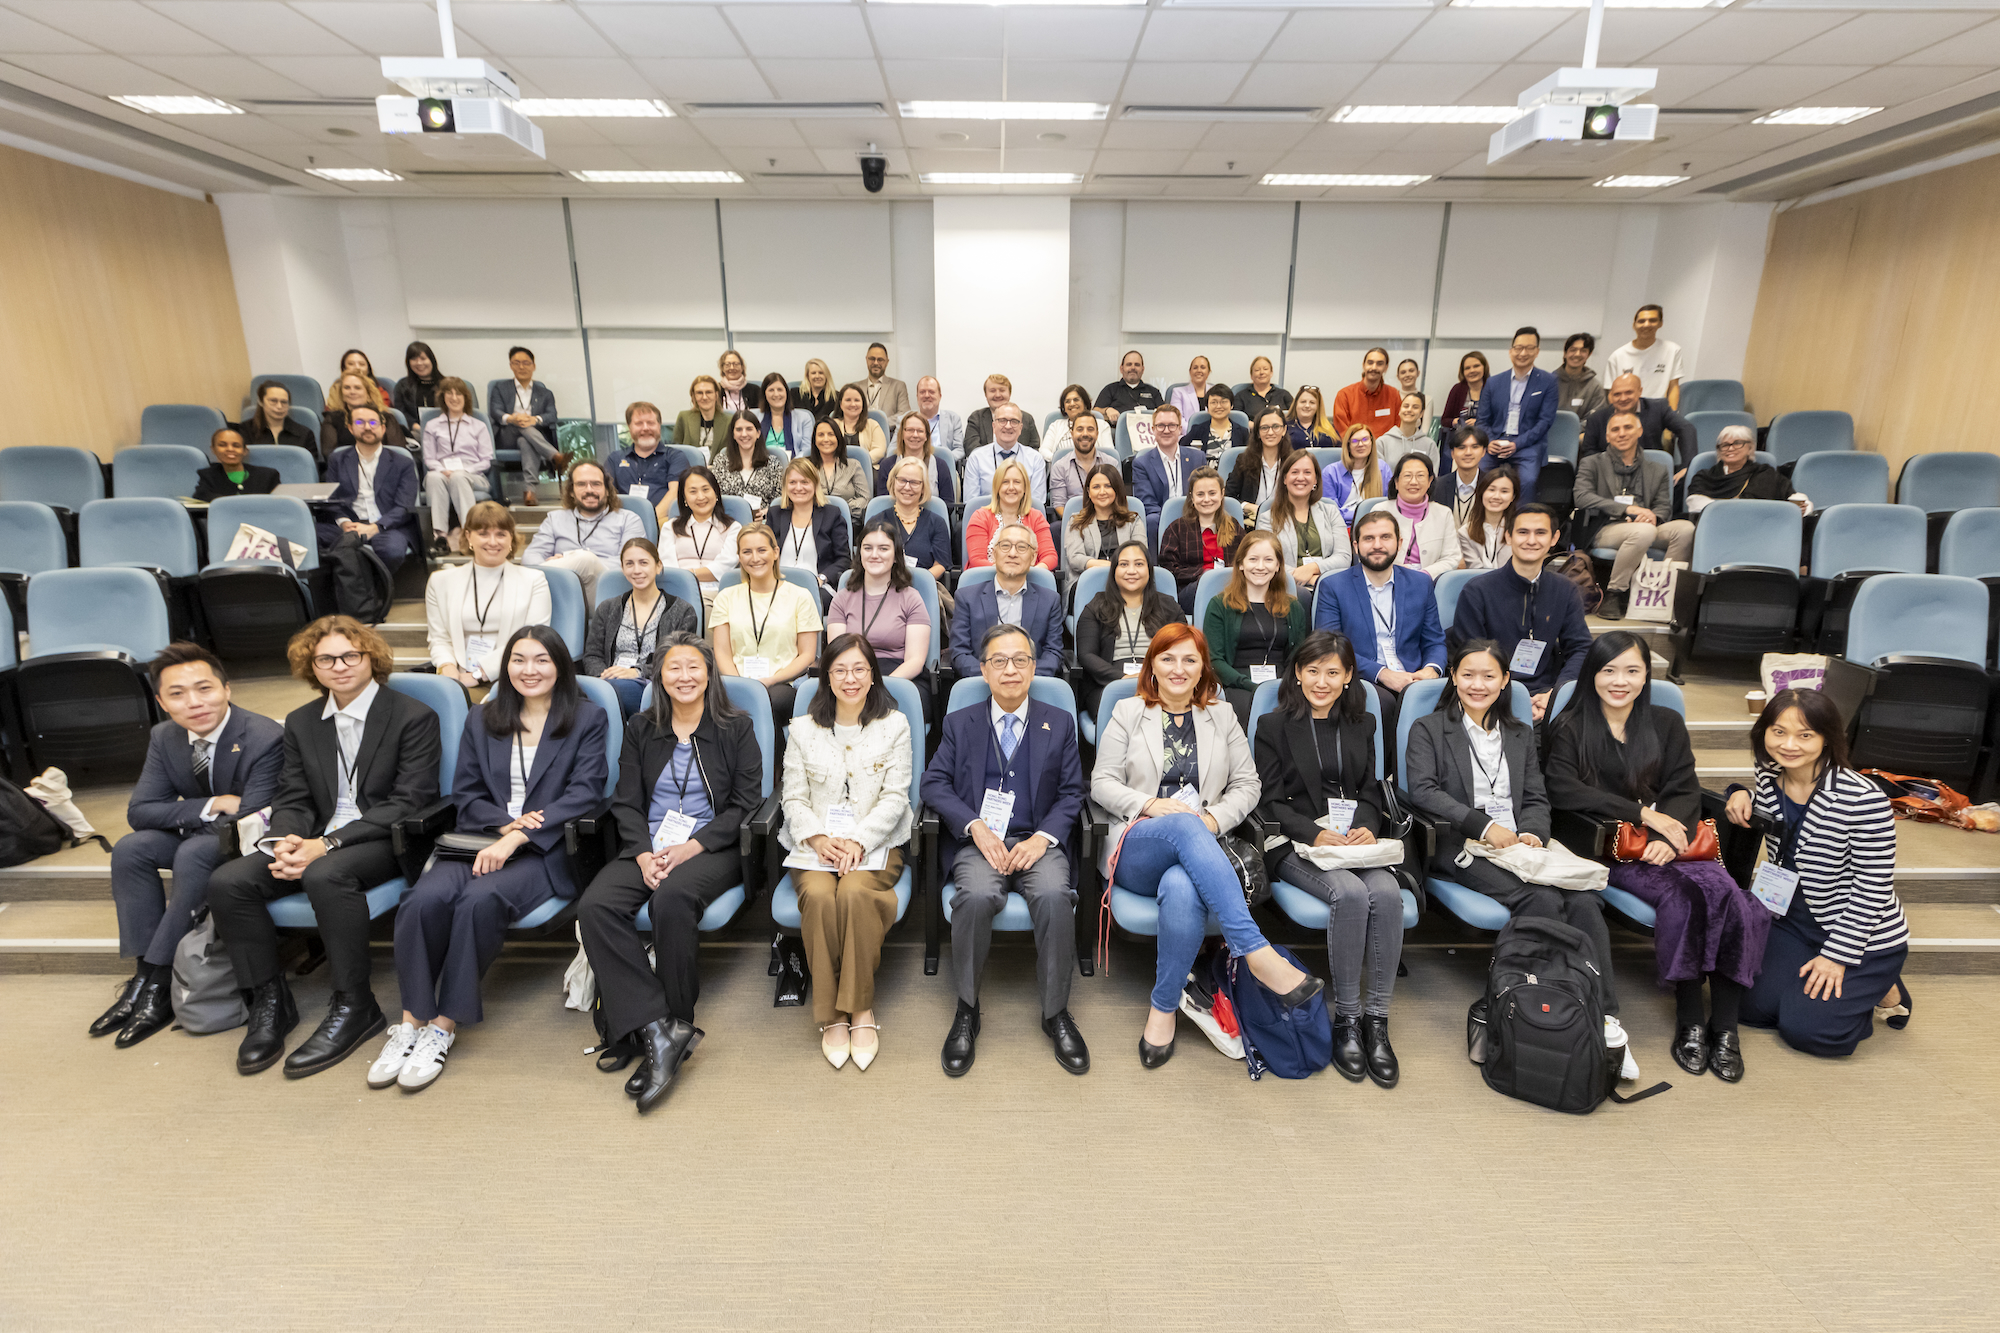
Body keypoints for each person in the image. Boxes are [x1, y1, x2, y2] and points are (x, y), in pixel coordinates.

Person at [374, 626, 609, 1092]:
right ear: (506, 667)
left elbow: (585, 793)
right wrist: (503, 828)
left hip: (543, 851)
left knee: (478, 903)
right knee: (422, 901)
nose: (529, 670)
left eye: (541, 659)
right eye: (519, 660)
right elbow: (466, 792)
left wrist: (520, 836)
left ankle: (442, 1026)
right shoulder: (482, 718)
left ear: (560, 665)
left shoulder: (587, 718)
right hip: (478, 838)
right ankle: (409, 1022)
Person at [207, 616, 443, 1077]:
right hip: (315, 837)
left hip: (381, 838)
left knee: (325, 872)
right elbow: (292, 797)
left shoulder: (413, 716)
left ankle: (355, 1005)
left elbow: (408, 802)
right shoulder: (300, 722)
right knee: (229, 881)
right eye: (326, 659)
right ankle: (270, 1001)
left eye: (350, 655)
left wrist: (325, 844)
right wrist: (286, 842)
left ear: (371, 658)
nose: (339, 666)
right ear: (311, 667)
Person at [1091, 624, 1323, 1067]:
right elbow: (1101, 782)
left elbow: (1248, 784)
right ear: (1152, 665)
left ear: (1203, 669)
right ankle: (1255, 951)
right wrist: (1151, 804)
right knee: (1182, 825)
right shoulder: (1127, 711)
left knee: (1181, 883)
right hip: (1138, 844)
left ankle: (1162, 1009)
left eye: (1189, 660)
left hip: (1201, 849)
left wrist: (1213, 819)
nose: (1178, 669)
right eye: (1168, 659)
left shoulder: (1221, 714)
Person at [1547, 632, 1770, 1082]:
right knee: (1684, 899)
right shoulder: (1570, 725)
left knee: (1736, 899)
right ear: (1592, 674)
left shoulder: (1665, 722)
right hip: (1612, 850)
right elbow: (1564, 789)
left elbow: (1684, 788)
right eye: (1609, 670)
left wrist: (1672, 837)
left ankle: (1724, 1027)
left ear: (1647, 674)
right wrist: (1643, 814)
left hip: (1673, 844)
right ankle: (1689, 1016)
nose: (1620, 681)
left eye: (1632, 670)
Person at [1405, 638, 1627, 1047]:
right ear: (1452, 677)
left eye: (1489, 676)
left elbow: (1537, 797)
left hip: (1523, 845)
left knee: (1582, 901)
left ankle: (1604, 1016)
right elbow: (1423, 791)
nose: (1477, 684)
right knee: (1540, 899)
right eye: (1467, 675)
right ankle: (1541, 1011)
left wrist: (1533, 833)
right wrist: (1487, 828)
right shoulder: (1429, 729)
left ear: (1505, 680)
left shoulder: (1521, 734)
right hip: (1465, 845)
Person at [577, 632, 762, 1112]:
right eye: (674, 668)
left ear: (708, 673)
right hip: (648, 846)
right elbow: (627, 801)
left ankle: (675, 1019)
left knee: (672, 900)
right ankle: (660, 1028)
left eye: (694, 667)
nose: (684, 677)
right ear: (659, 676)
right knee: (596, 906)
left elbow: (746, 802)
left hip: (709, 847)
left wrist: (691, 847)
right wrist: (640, 854)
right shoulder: (642, 726)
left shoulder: (736, 727)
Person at [93, 644, 284, 1048]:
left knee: (194, 852)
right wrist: (213, 804)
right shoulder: (165, 736)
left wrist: (194, 816)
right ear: (161, 702)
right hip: (201, 831)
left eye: (204, 688)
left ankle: (155, 983)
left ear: (227, 689)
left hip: (248, 843)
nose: (194, 703)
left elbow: (250, 818)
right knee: (132, 848)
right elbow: (141, 811)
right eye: (177, 694)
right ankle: (144, 974)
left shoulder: (264, 736)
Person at [923, 622, 1089, 1076]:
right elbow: (933, 783)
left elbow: (1073, 793)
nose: (1010, 669)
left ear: (1034, 667)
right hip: (982, 844)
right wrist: (974, 826)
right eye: (999, 661)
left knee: (1056, 897)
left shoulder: (1059, 723)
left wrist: (1042, 839)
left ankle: (1055, 1012)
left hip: (1038, 841)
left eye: (1020, 660)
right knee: (974, 897)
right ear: (983, 669)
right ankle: (966, 1008)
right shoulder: (961, 723)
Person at [1252, 630, 1402, 1085]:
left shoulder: (1363, 724)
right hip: (1298, 842)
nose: (1322, 681)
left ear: (1349, 675)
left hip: (1353, 841)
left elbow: (1373, 790)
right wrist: (1315, 833)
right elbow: (1269, 801)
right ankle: (1347, 1019)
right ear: (1297, 673)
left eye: (1332, 672)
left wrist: (1368, 825)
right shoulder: (1274, 726)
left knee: (1389, 893)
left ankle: (1376, 1021)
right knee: (1351, 895)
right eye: (1313, 670)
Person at [1730, 688, 1912, 1059]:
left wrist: (1837, 956)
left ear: (1828, 738)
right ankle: (1831, 990)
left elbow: (1873, 887)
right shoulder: (1768, 777)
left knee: (1809, 1031)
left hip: (1856, 930)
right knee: (1747, 1008)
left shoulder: (1864, 798)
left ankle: (1882, 984)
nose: (1789, 744)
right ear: (1763, 732)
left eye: (1805, 735)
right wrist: (1738, 792)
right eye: (1778, 731)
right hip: (1793, 919)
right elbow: (1767, 810)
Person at [781, 634, 914, 1070]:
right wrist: (819, 839)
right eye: (839, 670)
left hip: (876, 843)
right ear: (825, 676)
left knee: (855, 894)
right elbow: (793, 799)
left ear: (873, 674)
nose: (850, 678)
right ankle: (832, 1014)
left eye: (859, 669)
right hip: (816, 845)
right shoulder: (802, 728)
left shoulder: (894, 725)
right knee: (820, 897)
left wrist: (858, 840)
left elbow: (896, 796)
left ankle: (859, 1008)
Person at [1312, 509, 1446, 739]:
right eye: (1368, 538)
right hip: (1362, 678)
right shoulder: (1334, 586)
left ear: (1399, 542)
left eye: (1385, 537)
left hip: (1414, 676)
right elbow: (1329, 648)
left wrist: (1431, 670)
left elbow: (1434, 640)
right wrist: (1382, 674)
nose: (1377, 545)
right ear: (1355, 546)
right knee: (1384, 703)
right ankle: (1386, 774)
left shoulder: (1420, 583)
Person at [1450, 504, 1591, 722]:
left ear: (1554, 538)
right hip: (1490, 694)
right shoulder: (1477, 590)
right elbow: (1470, 657)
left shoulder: (1565, 589)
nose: (1531, 540)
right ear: (1508, 536)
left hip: (1547, 693)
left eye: (1540, 533)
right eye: (1523, 532)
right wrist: (1515, 699)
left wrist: (1557, 694)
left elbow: (1580, 647)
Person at [1576, 408, 1696, 621]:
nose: (1621, 433)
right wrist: (1626, 509)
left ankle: (1660, 593)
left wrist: (1653, 517)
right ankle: (1614, 593)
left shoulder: (1657, 469)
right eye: (1615, 429)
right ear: (1607, 436)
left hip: (1646, 527)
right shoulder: (1592, 463)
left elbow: (1663, 507)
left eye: (1628, 427)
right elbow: (1582, 497)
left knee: (1686, 529)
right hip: (1606, 528)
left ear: (1639, 431)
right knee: (1643, 531)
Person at [424, 502, 552, 693]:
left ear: (511, 539)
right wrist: (448, 670)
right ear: (468, 536)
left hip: (514, 677)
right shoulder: (440, 581)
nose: (493, 542)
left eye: (501, 534)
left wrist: (480, 674)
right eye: (483, 534)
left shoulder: (534, 580)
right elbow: (439, 638)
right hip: (457, 675)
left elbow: (531, 639)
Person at [710, 523, 822, 726]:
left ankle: (770, 759)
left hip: (782, 683)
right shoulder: (726, 597)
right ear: (739, 556)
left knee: (768, 703)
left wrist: (769, 680)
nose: (755, 558)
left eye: (762, 550)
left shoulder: (800, 596)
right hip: (735, 680)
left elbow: (807, 655)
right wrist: (740, 685)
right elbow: (722, 653)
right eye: (747, 552)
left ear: (776, 552)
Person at [581, 538, 700, 716]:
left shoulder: (682, 611)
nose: (637, 570)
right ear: (622, 568)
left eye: (643, 563)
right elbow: (592, 654)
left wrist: (636, 672)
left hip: (655, 683)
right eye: (629, 564)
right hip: (610, 682)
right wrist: (604, 677)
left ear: (658, 566)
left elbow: (679, 659)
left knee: (605, 697)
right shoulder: (607, 608)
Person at [827, 522, 934, 719]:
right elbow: (837, 656)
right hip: (851, 675)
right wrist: (858, 682)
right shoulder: (842, 598)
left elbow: (915, 661)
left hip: (900, 676)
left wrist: (878, 687)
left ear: (895, 556)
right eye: (867, 548)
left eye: (883, 548)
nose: (874, 554)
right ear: (860, 554)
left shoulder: (911, 597)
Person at [1205, 530, 1309, 727]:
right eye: (1253, 559)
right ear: (1241, 564)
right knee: (1248, 713)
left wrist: (1284, 684)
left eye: (1268, 560)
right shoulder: (1219, 605)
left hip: (1282, 683)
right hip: (1237, 685)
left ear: (1278, 565)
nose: (1260, 567)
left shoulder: (1293, 607)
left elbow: (1298, 656)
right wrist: (1250, 685)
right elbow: (1214, 659)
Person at [1076, 540, 1183, 716]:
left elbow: (1182, 650)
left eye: (1139, 564)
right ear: (1114, 571)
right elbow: (1087, 655)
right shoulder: (1096, 606)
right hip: (1110, 683)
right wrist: (1123, 678)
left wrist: (1157, 676)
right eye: (1124, 564)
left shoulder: (1169, 606)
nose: (1131, 571)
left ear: (1149, 570)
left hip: (1160, 679)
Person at [947, 521, 1063, 680]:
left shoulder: (1050, 600)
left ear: (1033, 557)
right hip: (982, 684)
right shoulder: (967, 597)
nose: (1013, 553)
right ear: (994, 554)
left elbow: (1053, 653)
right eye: (1005, 546)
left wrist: (1021, 679)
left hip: (1031, 685)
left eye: (1022, 547)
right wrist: (994, 678)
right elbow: (959, 652)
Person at [522, 460, 646, 605]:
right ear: (571, 491)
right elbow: (530, 557)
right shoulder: (554, 519)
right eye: (581, 484)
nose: (589, 490)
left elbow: (632, 561)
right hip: (562, 592)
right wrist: (564, 567)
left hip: (610, 593)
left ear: (607, 489)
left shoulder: (628, 519)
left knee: (587, 560)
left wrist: (572, 560)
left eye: (596, 484)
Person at [319, 403, 419, 576]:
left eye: (373, 423)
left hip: (386, 525)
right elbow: (333, 499)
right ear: (350, 428)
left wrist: (376, 527)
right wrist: (343, 522)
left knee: (392, 551)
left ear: (383, 428)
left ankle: (365, 591)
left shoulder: (403, 462)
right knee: (309, 536)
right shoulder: (338, 459)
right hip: (349, 524)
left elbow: (403, 507)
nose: (367, 427)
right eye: (359, 423)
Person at [1476, 327, 1557, 501]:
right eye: (1518, 348)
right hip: (1495, 443)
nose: (1523, 353)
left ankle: (1518, 524)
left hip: (1527, 445)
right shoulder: (1493, 382)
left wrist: (1517, 444)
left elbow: (1545, 422)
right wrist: (1489, 442)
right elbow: (1482, 420)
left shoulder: (1548, 381)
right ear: (1511, 351)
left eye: (1529, 348)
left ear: (1537, 352)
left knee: (1527, 481)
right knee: (1478, 474)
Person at [1260, 447, 1350, 597]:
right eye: (1294, 472)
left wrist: (1314, 570)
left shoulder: (1331, 512)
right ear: (1284, 479)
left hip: (1328, 585)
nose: (1300, 477)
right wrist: (1298, 576)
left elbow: (1344, 557)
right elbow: (1267, 560)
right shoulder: (1267, 519)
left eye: (1307, 472)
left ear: (1315, 480)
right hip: (1287, 588)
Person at [418, 376, 493, 553]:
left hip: (473, 474)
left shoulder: (478, 425)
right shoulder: (432, 425)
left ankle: (471, 533)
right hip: (442, 473)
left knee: (459, 477)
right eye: (449, 393)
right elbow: (429, 458)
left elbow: (486, 460)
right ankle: (440, 537)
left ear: (466, 397)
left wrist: (462, 470)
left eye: (458, 393)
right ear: (443, 398)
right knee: (433, 477)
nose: (454, 397)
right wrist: (442, 470)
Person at [1581, 372, 1698, 474]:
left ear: (1640, 392)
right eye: (1617, 394)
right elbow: (1590, 452)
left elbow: (1686, 429)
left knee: (1683, 482)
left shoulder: (1658, 409)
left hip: (1651, 472)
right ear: (1611, 396)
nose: (1622, 398)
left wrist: (1687, 466)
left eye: (1628, 393)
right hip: (1610, 474)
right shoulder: (1597, 418)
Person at [1159, 466, 1240, 612]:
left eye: (1212, 493)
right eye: (1200, 494)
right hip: (1192, 592)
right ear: (1192, 497)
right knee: (1207, 584)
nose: (1207, 499)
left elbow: (1245, 560)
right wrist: (1203, 574)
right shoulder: (1176, 528)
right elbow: (1168, 569)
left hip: (1231, 588)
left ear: (1222, 494)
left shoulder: (1234, 526)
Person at [767, 458, 853, 592]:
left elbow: (843, 559)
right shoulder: (775, 514)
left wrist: (821, 578)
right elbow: (765, 554)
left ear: (815, 484)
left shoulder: (831, 515)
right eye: (792, 482)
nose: (798, 488)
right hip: (778, 586)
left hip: (816, 587)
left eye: (804, 482)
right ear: (785, 486)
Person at [489, 346, 561, 505]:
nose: (521, 367)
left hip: (532, 436)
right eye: (516, 363)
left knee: (525, 441)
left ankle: (530, 492)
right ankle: (554, 456)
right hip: (507, 435)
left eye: (526, 363)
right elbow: (495, 411)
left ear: (533, 366)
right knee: (522, 425)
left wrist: (534, 419)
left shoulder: (545, 393)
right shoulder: (500, 388)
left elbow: (552, 415)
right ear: (511, 366)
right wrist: (512, 418)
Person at [665, 466, 740, 615]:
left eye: (706, 489)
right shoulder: (670, 527)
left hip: (717, 592)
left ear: (716, 493)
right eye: (693, 491)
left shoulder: (733, 528)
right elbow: (668, 567)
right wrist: (686, 581)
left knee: (702, 608)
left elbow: (724, 567)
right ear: (684, 498)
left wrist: (688, 573)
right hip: (678, 590)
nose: (700, 497)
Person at [1131, 402, 1207, 547]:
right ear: (1153, 429)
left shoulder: (1198, 457)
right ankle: (1154, 567)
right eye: (1161, 425)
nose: (1166, 430)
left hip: (1194, 514)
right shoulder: (1142, 463)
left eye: (1172, 425)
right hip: (1161, 518)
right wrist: (1173, 519)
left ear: (1180, 429)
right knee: (1152, 520)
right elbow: (1147, 502)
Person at [882, 458, 953, 612]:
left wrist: (917, 582)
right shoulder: (878, 522)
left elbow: (941, 564)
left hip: (923, 592)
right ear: (893, 482)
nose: (907, 487)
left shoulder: (937, 522)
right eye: (902, 480)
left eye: (914, 482)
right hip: (883, 589)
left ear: (923, 487)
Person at [1687, 425, 1807, 515]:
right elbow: (1695, 505)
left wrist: (1801, 508)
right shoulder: (1704, 477)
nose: (1730, 448)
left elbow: (1794, 497)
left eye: (1737, 443)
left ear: (1750, 448)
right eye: (1724, 445)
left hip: (1763, 529)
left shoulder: (1766, 474)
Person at [965, 458, 1057, 571]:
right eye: (1005, 482)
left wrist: (1028, 575)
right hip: (987, 581)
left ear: (1025, 488)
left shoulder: (1036, 517)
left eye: (1017, 482)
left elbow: (1050, 557)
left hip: (1029, 581)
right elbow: (976, 560)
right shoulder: (980, 517)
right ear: (997, 487)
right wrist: (1008, 575)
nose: (1011, 487)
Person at [1384, 453, 1461, 581]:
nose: (1414, 482)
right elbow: (1371, 553)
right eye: (1408, 476)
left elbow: (1451, 558)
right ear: (1396, 482)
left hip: (1430, 582)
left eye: (1420, 476)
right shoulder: (1381, 510)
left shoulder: (1443, 513)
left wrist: (1425, 574)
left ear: (1430, 481)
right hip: (1388, 580)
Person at [1062, 462, 1144, 582]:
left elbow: (1140, 554)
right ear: (1089, 492)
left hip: (1126, 579)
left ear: (1117, 490)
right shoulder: (1076, 521)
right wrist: (1106, 567)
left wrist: (1119, 570)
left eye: (1108, 486)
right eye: (1096, 487)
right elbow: (1075, 558)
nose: (1102, 492)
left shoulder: (1133, 520)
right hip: (1088, 579)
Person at [611, 400, 689, 519]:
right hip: (622, 522)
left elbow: (675, 493)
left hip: (661, 521)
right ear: (629, 427)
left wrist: (649, 521)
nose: (645, 428)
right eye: (639, 423)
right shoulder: (615, 459)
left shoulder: (675, 457)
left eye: (650, 423)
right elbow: (607, 494)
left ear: (659, 425)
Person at [963, 401, 1048, 510]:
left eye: (1014, 421)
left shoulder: (1035, 459)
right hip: (986, 521)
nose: (1008, 426)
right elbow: (971, 504)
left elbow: (1037, 504)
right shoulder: (976, 458)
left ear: (1020, 428)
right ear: (994, 426)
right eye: (1002, 420)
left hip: (1023, 522)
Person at [322, 370, 412, 466]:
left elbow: (397, 451)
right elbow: (330, 454)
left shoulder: (386, 418)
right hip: (346, 468)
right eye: (347, 388)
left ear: (368, 394)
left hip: (385, 467)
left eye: (357, 388)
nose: (352, 392)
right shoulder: (332, 419)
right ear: (341, 394)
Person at [712, 409, 787, 522]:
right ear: (733, 434)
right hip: (728, 521)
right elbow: (714, 495)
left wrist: (768, 511)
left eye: (749, 429)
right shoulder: (721, 461)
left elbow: (781, 498)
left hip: (763, 523)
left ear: (758, 433)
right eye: (739, 429)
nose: (744, 434)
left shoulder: (772, 463)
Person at [1605, 303, 1683, 409]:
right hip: (1628, 411)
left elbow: (1673, 387)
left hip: (1659, 412)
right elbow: (1611, 392)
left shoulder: (1673, 350)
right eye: (1641, 321)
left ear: (1660, 323)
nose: (1646, 325)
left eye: (1652, 320)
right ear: (1634, 325)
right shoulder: (1618, 356)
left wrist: (1671, 418)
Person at [877, 409, 955, 506]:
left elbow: (948, 505)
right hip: (894, 519)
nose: (915, 435)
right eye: (910, 430)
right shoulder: (887, 465)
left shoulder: (940, 466)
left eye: (920, 431)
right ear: (902, 434)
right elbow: (883, 503)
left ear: (926, 436)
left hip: (931, 519)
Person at [1228, 407, 1292, 523]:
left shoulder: (1294, 461)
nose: (1270, 432)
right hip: (1252, 521)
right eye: (1264, 428)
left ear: (1284, 430)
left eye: (1276, 427)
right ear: (1257, 432)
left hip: (1285, 520)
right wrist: (1248, 507)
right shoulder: (1244, 460)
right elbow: (1228, 497)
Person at [240, 378, 319, 463]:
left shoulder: (305, 434)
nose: (279, 406)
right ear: (261, 402)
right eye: (273, 401)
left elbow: (311, 468)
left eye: (284, 402)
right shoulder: (245, 430)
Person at [1322, 424, 1389, 524]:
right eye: (1354, 441)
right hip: (1342, 525)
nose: (1361, 444)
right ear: (1348, 445)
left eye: (1365, 439)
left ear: (1372, 442)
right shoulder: (1330, 472)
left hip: (1376, 524)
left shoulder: (1382, 468)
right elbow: (1331, 511)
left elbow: (1388, 502)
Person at [806, 419, 869, 522]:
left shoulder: (853, 465)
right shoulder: (805, 466)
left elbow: (865, 499)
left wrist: (842, 508)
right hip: (812, 521)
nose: (826, 439)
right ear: (814, 440)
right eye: (821, 435)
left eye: (831, 434)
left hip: (846, 520)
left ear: (838, 438)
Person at [1333, 347, 1401, 440]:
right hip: (1355, 450)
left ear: (1386, 368)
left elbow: (1398, 428)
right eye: (1370, 363)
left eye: (1379, 364)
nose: (1374, 367)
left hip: (1386, 451)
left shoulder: (1394, 395)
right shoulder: (1344, 395)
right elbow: (1342, 432)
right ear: (1363, 365)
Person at [1048, 407, 1109, 512]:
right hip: (1074, 522)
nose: (1085, 434)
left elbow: (1117, 498)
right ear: (1072, 434)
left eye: (1090, 429)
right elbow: (1059, 504)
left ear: (1097, 434)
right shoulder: (1060, 466)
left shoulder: (1111, 463)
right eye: (1080, 429)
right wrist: (1079, 523)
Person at [193, 427, 279, 501]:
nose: (230, 449)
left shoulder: (268, 475)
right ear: (213, 449)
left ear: (245, 451)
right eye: (222, 445)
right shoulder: (208, 475)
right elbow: (201, 495)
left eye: (236, 446)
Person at [964, 373, 1043, 452]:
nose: (997, 395)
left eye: (1002, 390)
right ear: (986, 394)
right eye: (992, 391)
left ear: (1009, 393)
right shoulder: (976, 418)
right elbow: (972, 448)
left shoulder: (1026, 419)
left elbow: (1034, 449)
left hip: (1019, 463)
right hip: (985, 463)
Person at [1458, 466, 1517, 571]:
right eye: (1491, 490)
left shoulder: (1519, 530)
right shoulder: (1465, 532)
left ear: (1513, 497)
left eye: (1504, 491)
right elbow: (1474, 570)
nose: (1496, 496)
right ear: (1481, 492)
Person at [1433, 426, 1489, 528]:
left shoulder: (1491, 485)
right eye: (1461, 447)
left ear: (1483, 452)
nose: (1468, 453)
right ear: (1453, 453)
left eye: (1475, 447)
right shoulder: (1438, 486)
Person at [755, 372, 815, 459]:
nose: (776, 394)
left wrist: (793, 465)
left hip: (793, 466)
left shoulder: (804, 418)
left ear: (786, 392)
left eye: (780, 389)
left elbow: (807, 450)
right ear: (765, 394)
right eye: (771, 390)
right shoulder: (754, 417)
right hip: (761, 465)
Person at [1094, 349, 1161, 426]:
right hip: (1117, 433)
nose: (1133, 368)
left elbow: (1165, 413)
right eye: (1129, 364)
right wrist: (1107, 410)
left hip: (1147, 434)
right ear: (1121, 369)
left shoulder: (1153, 392)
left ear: (1142, 369)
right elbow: (1095, 412)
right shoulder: (1110, 389)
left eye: (1137, 365)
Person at [674, 374, 735, 454]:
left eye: (708, 392)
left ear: (716, 395)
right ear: (694, 396)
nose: (704, 397)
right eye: (699, 393)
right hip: (691, 465)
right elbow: (675, 450)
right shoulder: (683, 417)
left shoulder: (730, 420)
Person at [830, 383, 887, 466]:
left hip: (866, 469)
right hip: (836, 469)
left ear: (863, 404)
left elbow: (879, 450)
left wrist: (857, 463)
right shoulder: (831, 425)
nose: (853, 404)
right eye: (848, 400)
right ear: (841, 404)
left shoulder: (873, 425)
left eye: (857, 400)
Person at [1187, 384, 1245, 465]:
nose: (1218, 406)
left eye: (1223, 402)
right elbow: (1182, 451)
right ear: (1207, 407)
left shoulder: (1243, 432)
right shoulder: (1197, 430)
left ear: (1231, 405)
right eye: (1213, 402)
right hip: (1204, 475)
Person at [393, 340, 448, 422]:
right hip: (414, 431)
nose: (419, 363)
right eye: (414, 359)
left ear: (431, 360)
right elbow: (401, 413)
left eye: (423, 358)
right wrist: (415, 426)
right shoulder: (402, 386)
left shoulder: (447, 384)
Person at [1557, 332, 1607, 421]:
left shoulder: (1595, 387)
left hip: (1581, 434)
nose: (1577, 354)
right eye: (1573, 349)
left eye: (1583, 350)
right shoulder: (1549, 381)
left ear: (1589, 354)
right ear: (1565, 353)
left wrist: (1575, 431)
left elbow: (1595, 418)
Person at [1438, 350, 1489, 437]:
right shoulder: (1457, 389)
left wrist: (1479, 423)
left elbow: (1498, 421)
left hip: (1485, 439)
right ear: (1463, 372)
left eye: (1476, 366)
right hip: (1459, 438)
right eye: (1467, 368)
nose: (1472, 370)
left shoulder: (1492, 388)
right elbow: (1444, 420)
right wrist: (1455, 422)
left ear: (1484, 367)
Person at [1379, 393, 1435, 471]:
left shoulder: (1429, 445)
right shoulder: (1382, 442)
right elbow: (1377, 475)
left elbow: (1432, 477)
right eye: (1406, 406)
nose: (1409, 410)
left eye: (1415, 407)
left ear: (1421, 414)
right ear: (1399, 410)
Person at [914, 375, 963, 456]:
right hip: (913, 465)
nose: (926, 395)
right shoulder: (905, 419)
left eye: (931, 392)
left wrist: (945, 461)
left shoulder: (953, 418)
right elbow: (893, 448)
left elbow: (959, 450)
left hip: (943, 465)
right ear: (917, 396)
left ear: (940, 396)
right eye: (922, 392)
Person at [861, 342, 910, 418]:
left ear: (887, 362)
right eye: (872, 359)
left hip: (888, 429)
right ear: (866, 359)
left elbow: (904, 414)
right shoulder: (856, 387)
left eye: (880, 360)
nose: (876, 363)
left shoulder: (898, 386)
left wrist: (880, 424)